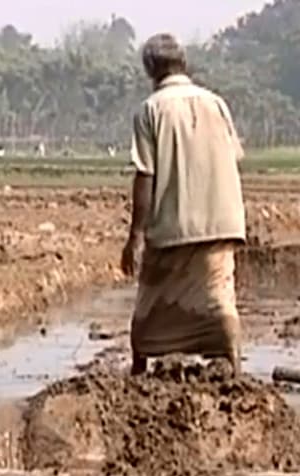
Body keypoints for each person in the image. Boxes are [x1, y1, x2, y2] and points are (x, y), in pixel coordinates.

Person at [122, 34, 247, 376]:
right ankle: (233, 362)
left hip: (174, 225)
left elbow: (145, 175)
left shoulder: (151, 109)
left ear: (151, 70)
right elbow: (233, 156)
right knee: (219, 297)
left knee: (150, 302)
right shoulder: (216, 103)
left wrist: (135, 235)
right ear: (184, 64)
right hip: (222, 220)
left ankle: (139, 368)